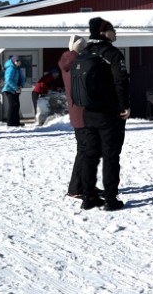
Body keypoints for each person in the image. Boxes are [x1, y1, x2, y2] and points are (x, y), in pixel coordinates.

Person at [79, 17, 131, 211]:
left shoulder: (85, 52)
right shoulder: (112, 53)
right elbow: (121, 81)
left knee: (89, 155)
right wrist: (124, 105)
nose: (115, 33)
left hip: (88, 112)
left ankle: (89, 197)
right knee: (111, 155)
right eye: (112, 29)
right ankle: (110, 199)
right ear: (103, 33)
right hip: (109, 113)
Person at [60, 35, 95, 199]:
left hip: (78, 114)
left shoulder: (67, 63)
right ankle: (75, 188)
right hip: (85, 114)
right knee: (85, 151)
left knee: (86, 150)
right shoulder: (80, 64)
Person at [2, 55, 25, 127]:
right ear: (13, 61)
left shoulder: (17, 69)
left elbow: (22, 78)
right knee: (12, 105)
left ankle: (16, 122)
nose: (19, 62)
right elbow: (8, 80)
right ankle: (10, 122)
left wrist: (21, 85)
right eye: (17, 61)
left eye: (19, 61)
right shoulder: (10, 68)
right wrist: (16, 88)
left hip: (15, 89)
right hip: (9, 89)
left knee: (16, 106)